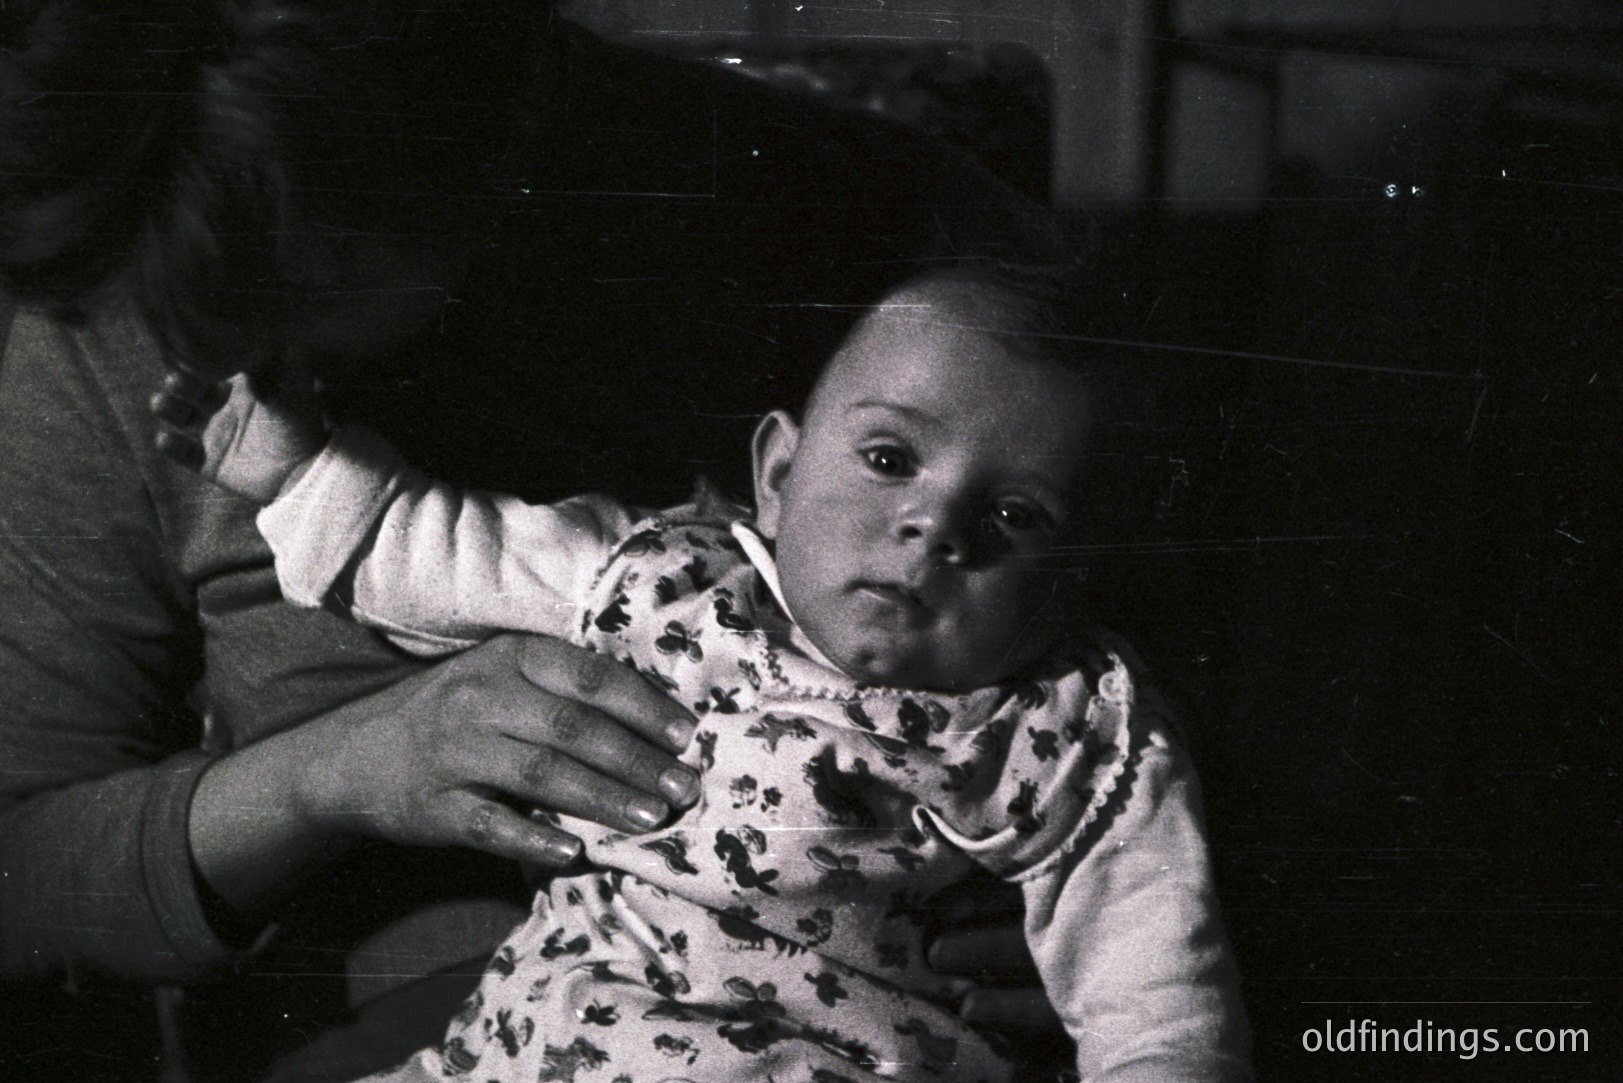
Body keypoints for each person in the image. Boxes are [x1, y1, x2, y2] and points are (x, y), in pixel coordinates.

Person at [0, 2, 1085, 1079]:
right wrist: (331, 774)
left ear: (496, 128)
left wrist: (1087, 933)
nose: (240, 364)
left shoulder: (902, 258)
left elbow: (1170, 738)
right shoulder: (128, 249)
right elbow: (21, 870)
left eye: (303, 282)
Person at [154, 265, 1252, 1082]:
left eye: (1015, 516)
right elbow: (435, 551)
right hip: (530, 1042)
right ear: (776, 474)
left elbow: (1159, 997)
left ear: (1073, 579)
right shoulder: (672, 577)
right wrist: (292, 467)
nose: (933, 524)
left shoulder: (1069, 730)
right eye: (888, 459)